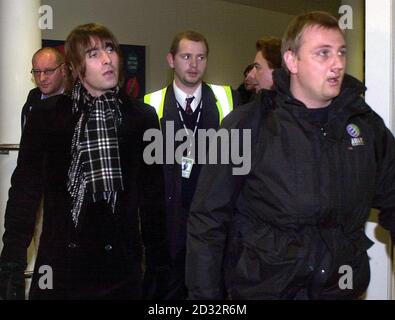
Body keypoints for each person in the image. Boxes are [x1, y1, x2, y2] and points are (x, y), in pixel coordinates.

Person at [186, 11, 395, 300]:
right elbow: (208, 221)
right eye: (323, 53)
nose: (337, 64)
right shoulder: (246, 125)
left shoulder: (364, 125)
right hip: (266, 290)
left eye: (341, 52)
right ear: (292, 60)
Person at [0, 23, 167, 300]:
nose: (106, 59)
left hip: (121, 270)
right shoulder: (47, 117)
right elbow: (24, 193)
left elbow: (154, 201)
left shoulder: (142, 118)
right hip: (60, 268)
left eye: (110, 49)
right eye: (93, 54)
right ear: (76, 66)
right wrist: (12, 262)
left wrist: (159, 268)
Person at [144, 30, 240, 299]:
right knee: (168, 291)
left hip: (214, 219)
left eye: (201, 57)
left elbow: (240, 163)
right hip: (168, 221)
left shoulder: (228, 99)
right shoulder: (150, 105)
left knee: (211, 290)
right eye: (186, 56)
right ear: (171, 60)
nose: (194, 64)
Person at [21, 47, 67, 130]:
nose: (42, 78)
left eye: (48, 71)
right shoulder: (33, 97)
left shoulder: (77, 99)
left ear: (63, 69)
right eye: (37, 72)